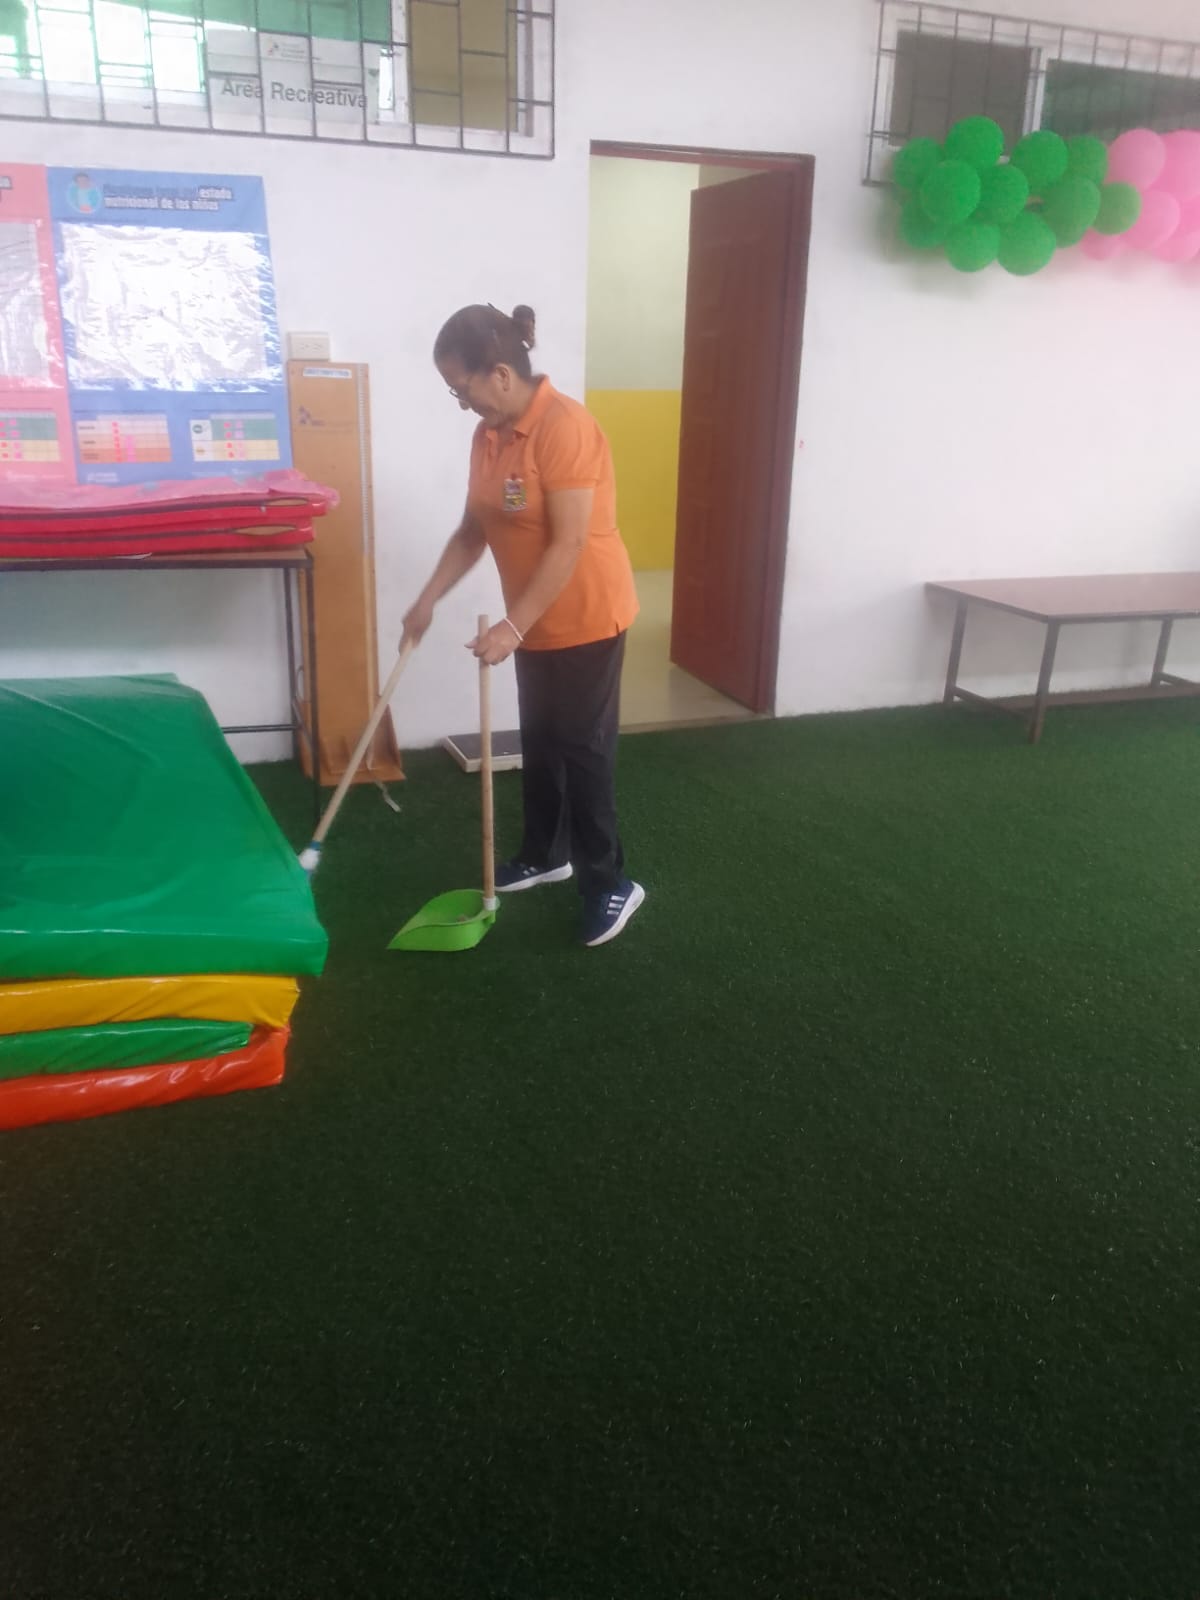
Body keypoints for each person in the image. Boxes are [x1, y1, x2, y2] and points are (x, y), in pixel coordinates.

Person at [402, 303, 644, 948]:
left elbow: (569, 543)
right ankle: (544, 854)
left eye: (463, 388)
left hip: (588, 613)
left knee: (583, 749)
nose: (462, 403)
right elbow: (473, 530)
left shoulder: (567, 427)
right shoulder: (489, 435)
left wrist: (511, 626)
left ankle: (610, 882)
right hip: (533, 619)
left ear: (501, 374)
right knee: (540, 740)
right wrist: (426, 600)